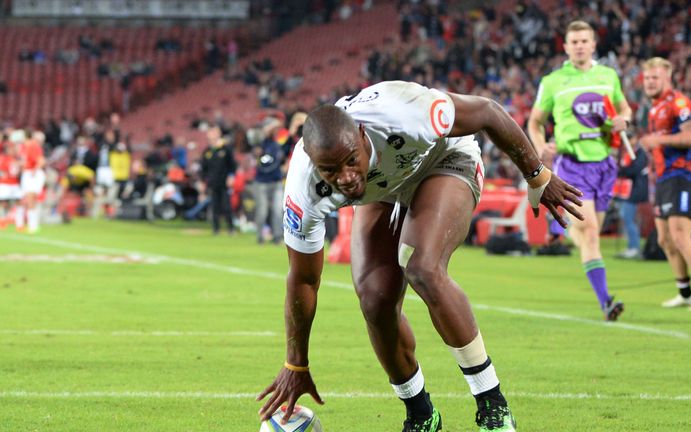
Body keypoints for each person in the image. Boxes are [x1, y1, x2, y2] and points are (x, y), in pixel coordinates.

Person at [257, 80, 583, 431]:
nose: (347, 178)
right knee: (374, 298)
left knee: (422, 267)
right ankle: (421, 414)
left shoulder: (405, 112)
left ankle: (493, 405)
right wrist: (296, 364)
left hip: (443, 158)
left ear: (363, 134)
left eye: (351, 161)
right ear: (311, 160)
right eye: (330, 171)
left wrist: (536, 175)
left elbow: (487, 111)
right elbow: (304, 278)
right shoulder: (303, 189)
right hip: (384, 186)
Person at [527, 20, 632, 321]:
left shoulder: (607, 76)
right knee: (591, 233)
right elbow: (535, 122)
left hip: (604, 165)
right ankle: (606, 302)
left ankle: (560, 226)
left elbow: (625, 109)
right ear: (566, 47)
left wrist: (624, 120)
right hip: (571, 164)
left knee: (589, 232)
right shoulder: (553, 81)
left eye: (584, 41)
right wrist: (540, 147)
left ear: (593, 44)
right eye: (574, 42)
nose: (580, 46)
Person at [639, 57, 691, 311]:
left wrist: (658, 141)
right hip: (664, 177)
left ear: (668, 78)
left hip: (682, 175)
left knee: (680, 235)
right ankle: (685, 293)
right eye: (647, 78)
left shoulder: (679, 102)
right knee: (664, 239)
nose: (650, 83)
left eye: (655, 78)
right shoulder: (654, 108)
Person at [614, 139, 649, 259]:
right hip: (627, 190)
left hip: (634, 191)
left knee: (628, 217)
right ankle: (631, 246)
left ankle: (634, 247)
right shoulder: (628, 152)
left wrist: (620, 171)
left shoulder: (640, 153)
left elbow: (634, 169)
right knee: (627, 217)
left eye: (631, 138)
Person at [201, 126, 236, 235]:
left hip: (224, 182)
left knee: (226, 206)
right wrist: (203, 182)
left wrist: (231, 176)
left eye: (215, 132)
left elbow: (232, 165)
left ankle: (231, 228)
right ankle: (216, 229)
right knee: (214, 206)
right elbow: (203, 169)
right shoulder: (207, 151)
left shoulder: (225, 148)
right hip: (213, 183)